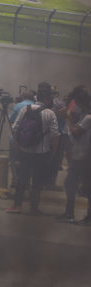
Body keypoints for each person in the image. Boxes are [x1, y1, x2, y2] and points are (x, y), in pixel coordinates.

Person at [7, 82, 60, 215]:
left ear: (37, 96)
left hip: (25, 151)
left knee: (22, 179)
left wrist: (19, 145)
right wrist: (53, 153)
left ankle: (17, 206)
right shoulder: (50, 114)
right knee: (37, 181)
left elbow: (15, 128)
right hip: (41, 153)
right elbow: (55, 136)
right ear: (48, 99)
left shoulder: (26, 109)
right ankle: (34, 208)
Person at [57, 88, 90, 224]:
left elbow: (76, 132)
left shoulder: (88, 117)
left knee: (85, 187)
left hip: (85, 157)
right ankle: (69, 213)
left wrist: (67, 119)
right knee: (71, 184)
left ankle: (84, 216)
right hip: (79, 156)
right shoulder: (84, 115)